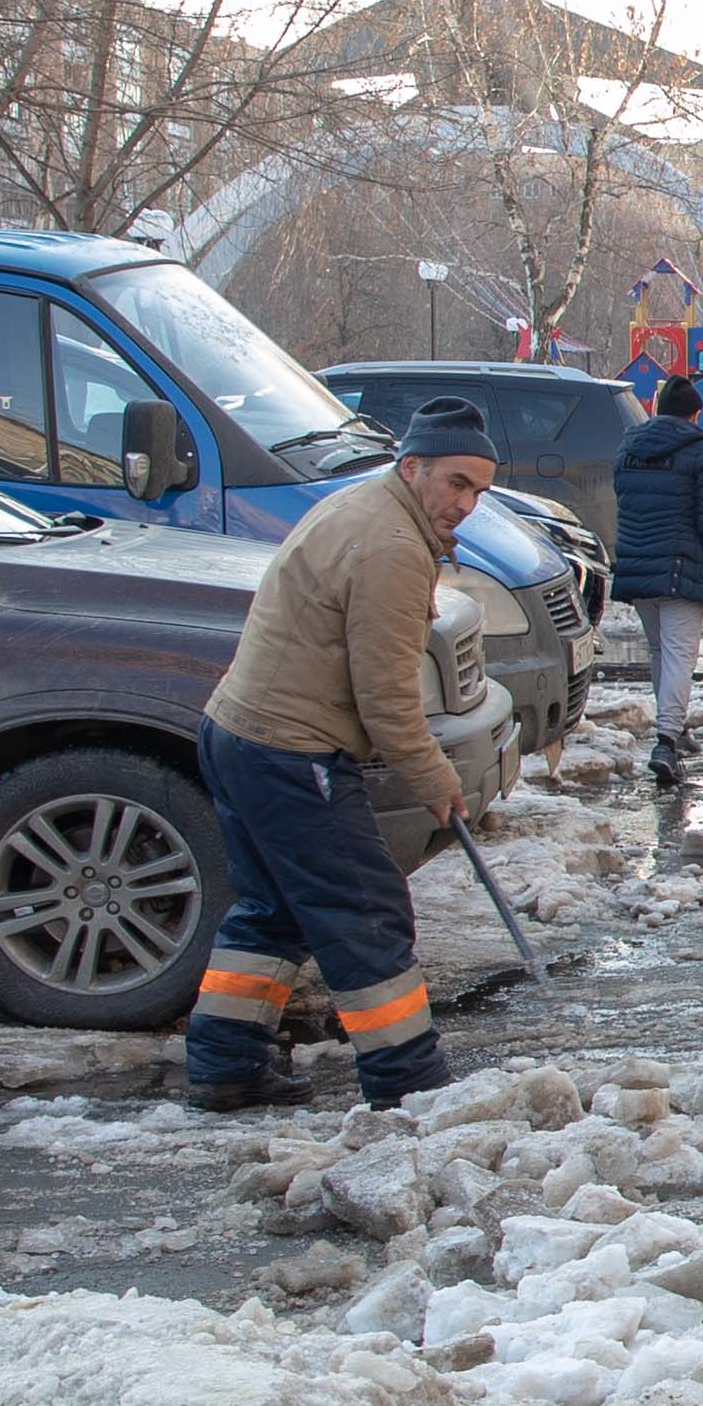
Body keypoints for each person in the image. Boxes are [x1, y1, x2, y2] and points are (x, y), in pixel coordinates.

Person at [181, 395, 492, 1112]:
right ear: (412, 467)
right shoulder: (390, 547)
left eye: (478, 489)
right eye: (456, 483)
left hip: (235, 732)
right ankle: (408, 1079)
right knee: (366, 911)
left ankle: (225, 1063)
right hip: (291, 751)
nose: (467, 503)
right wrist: (435, 779)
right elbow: (385, 697)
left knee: (272, 912)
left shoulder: (363, 505)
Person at [611, 373, 703, 788]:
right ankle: (666, 741)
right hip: (679, 569)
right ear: (696, 414)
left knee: (659, 652)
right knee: (679, 657)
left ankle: (675, 727)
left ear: (657, 410)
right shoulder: (700, 453)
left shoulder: (628, 447)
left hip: (637, 567)